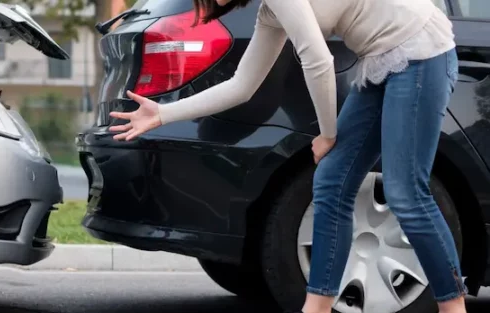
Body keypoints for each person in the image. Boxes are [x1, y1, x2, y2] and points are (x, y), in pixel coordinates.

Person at [108, 0, 467, 312]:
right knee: (332, 180)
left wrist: (328, 135)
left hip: (421, 53)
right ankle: (317, 306)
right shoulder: (270, 13)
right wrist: (162, 113)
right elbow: (242, 85)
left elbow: (319, 60)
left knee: (405, 191)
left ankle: (453, 305)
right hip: (380, 60)